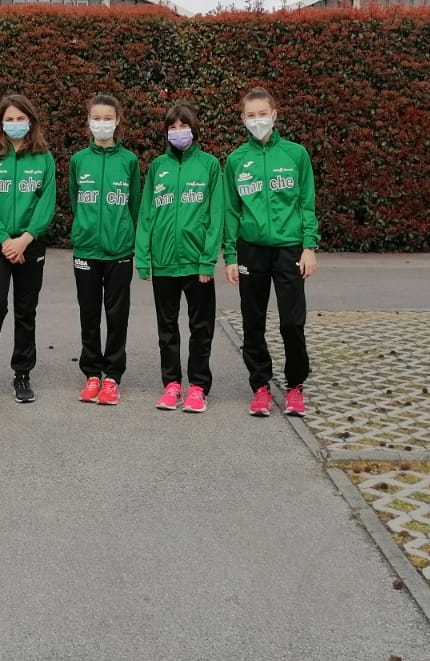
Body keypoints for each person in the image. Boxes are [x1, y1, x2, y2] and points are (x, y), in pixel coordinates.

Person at [224, 87, 319, 418]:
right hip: (251, 250)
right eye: (251, 115)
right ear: (242, 119)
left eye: (263, 113)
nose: (257, 120)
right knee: (253, 322)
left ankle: (295, 386)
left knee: (292, 322)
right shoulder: (236, 160)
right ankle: (260, 387)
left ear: (274, 115)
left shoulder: (295, 155)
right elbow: (231, 211)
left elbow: (306, 203)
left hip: (289, 249)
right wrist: (230, 256)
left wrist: (309, 246)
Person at [134, 103, 225, 414]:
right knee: (167, 328)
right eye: (172, 127)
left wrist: (207, 260)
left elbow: (216, 215)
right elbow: (147, 214)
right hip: (163, 263)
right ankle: (172, 384)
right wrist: (143, 257)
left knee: (201, 328)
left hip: (196, 263)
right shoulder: (158, 167)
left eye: (183, 126)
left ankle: (198, 386)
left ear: (193, 129)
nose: (178, 131)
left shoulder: (209, 165)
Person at [0, 93, 56, 406]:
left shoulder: (43, 158)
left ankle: (22, 374)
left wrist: (25, 238)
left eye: (21, 118)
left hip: (30, 244)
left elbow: (46, 204)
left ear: (30, 121)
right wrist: (5, 240)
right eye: (10, 119)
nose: (15, 123)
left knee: (25, 311)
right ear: (0, 123)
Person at [68, 94, 142, 405]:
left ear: (117, 121)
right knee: (89, 314)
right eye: (96, 118)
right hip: (86, 250)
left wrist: (128, 238)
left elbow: (134, 205)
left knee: (116, 315)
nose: (102, 124)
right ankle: (92, 374)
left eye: (107, 118)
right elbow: (75, 200)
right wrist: (83, 230)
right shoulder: (78, 160)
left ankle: (112, 376)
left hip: (119, 250)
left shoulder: (129, 161)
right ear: (88, 121)